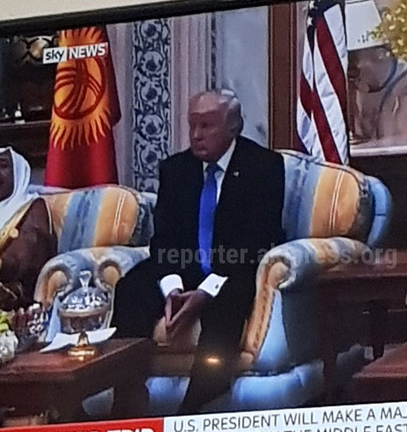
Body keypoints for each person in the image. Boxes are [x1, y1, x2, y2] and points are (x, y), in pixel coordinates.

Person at [111, 90, 285, 414]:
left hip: (234, 269)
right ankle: (127, 398)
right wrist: (172, 288)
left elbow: (258, 240)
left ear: (233, 127)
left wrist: (205, 292)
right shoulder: (175, 170)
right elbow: (164, 240)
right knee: (131, 288)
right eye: (192, 125)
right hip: (183, 267)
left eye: (206, 126)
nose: (196, 135)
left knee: (226, 303)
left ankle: (196, 407)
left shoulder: (264, 166)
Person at [0, 147, 57, 311]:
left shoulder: (31, 207)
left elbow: (28, 255)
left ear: (18, 173)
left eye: (3, 166)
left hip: (9, 291)